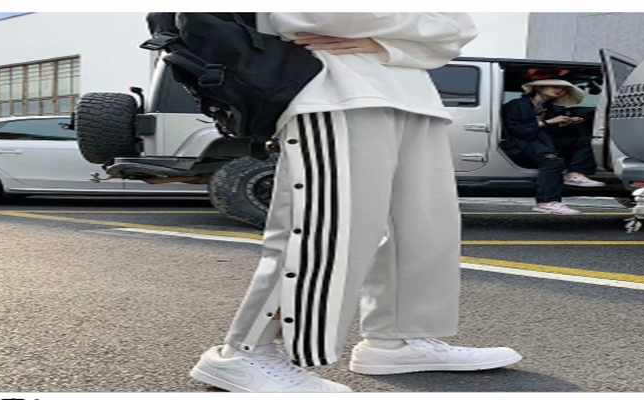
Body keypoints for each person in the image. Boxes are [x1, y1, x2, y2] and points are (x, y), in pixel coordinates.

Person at [189, 13, 522, 392]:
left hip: (417, 97)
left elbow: (458, 30)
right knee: (329, 229)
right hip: (332, 89)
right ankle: (246, 352)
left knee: (424, 231)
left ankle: (395, 342)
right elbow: (312, 15)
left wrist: (384, 41)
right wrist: (413, 33)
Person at [501, 79, 605, 215]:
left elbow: (549, 131)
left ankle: (574, 174)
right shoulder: (517, 105)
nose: (560, 90)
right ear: (538, 88)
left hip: (542, 141)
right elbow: (517, 130)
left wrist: (566, 122)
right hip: (521, 143)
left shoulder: (551, 107)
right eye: (555, 86)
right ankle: (546, 202)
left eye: (563, 89)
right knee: (552, 163)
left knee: (585, 141)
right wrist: (549, 122)